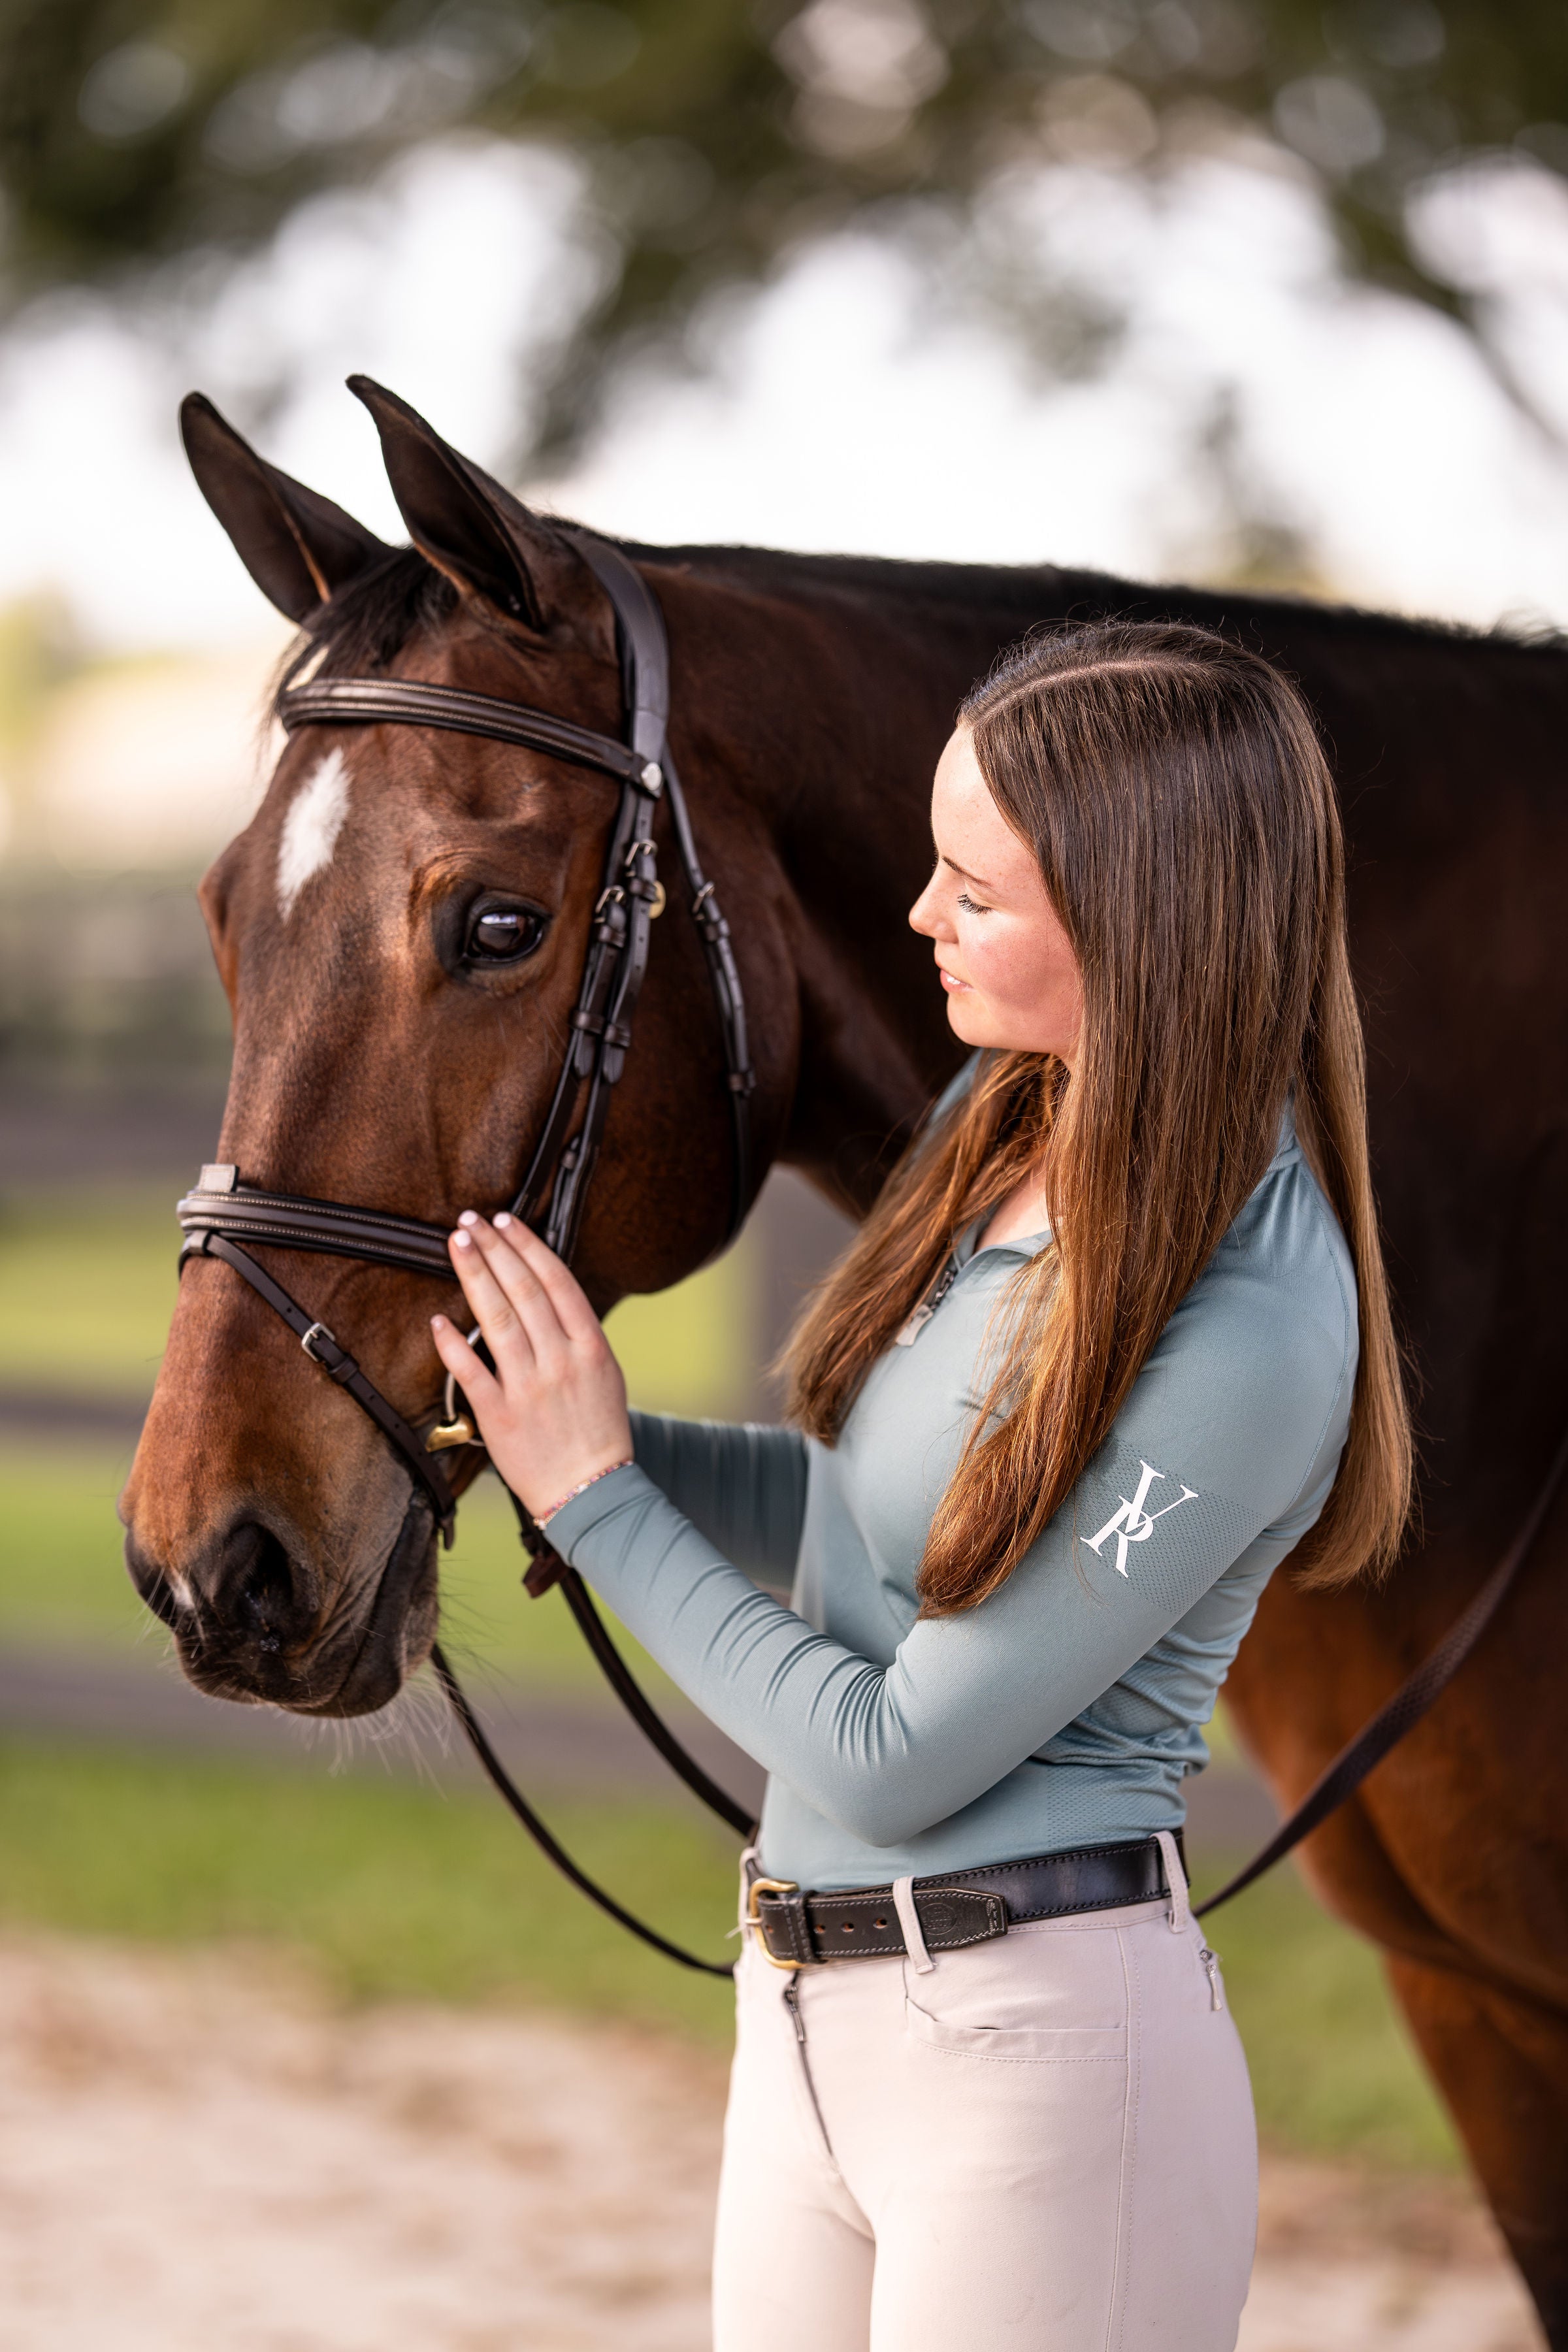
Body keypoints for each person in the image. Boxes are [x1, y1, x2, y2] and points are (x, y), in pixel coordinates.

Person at [429, 619, 1413, 2352]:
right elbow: (855, 1525)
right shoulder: (1004, 1122)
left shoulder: (1252, 1326)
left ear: (1140, 917)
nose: (917, 917)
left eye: (977, 886)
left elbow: (903, 1755)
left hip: (1039, 2072)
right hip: (806, 2023)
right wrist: (554, 1427)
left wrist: (600, 1508)